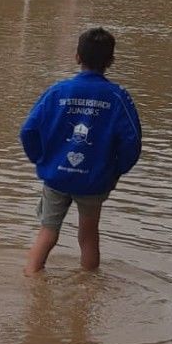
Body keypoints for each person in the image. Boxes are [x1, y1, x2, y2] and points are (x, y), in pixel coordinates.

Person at [20, 26, 142, 276]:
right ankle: (88, 291)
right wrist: (116, 171)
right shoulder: (118, 98)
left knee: (48, 230)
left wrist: (41, 160)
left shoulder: (57, 92)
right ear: (110, 61)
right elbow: (132, 143)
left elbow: (28, 131)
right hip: (94, 179)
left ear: (77, 56)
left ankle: (32, 281)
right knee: (88, 235)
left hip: (56, 175)